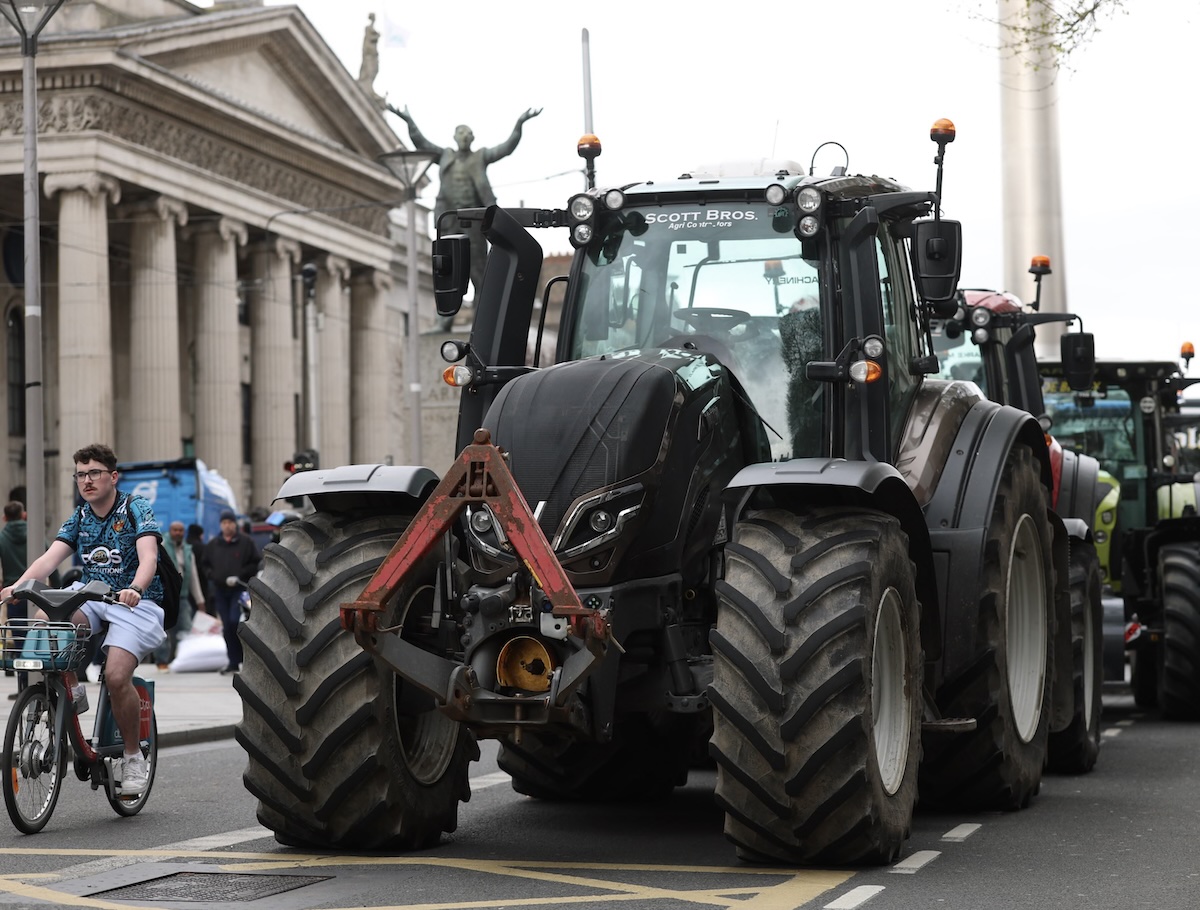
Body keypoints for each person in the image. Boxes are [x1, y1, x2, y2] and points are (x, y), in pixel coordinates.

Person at [0, 444, 166, 796]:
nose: (87, 481)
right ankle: (71, 685)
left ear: (113, 477)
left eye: (94, 473)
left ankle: (133, 756)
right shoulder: (79, 516)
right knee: (45, 615)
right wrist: (17, 587)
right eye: (80, 474)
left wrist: (136, 586)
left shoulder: (135, 507)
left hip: (135, 601)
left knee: (116, 676)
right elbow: (50, 558)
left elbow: (148, 555)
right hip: (93, 593)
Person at [388, 104, 541, 325]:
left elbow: (506, 148)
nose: (465, 137)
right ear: (455, 137)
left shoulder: (480, 157)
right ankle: (445, 321)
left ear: (473, 138)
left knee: (478, 273)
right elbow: (421, 142)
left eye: (469, 134)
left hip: (475, 224)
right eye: (462, 133)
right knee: (447, 273)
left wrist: (519, 124)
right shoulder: (444, 156)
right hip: (450, 222)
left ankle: (481, 320)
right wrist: (408, 121)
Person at [203, 509, 259, 675]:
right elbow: (205, 564)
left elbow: (255, 562)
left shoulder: (245, 542)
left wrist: (241, 575)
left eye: (230, 522)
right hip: (220, 590)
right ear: (221, 525)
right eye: (224, 523)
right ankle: (233, 661)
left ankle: (245, 658)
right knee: (227, 625)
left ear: (235, 524)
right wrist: (212, 576)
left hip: (239, 590)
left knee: (236, 622)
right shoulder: (214, 544)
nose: (227, 526)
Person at [151, 521, 207, 669]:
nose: (178, 533)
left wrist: (200, 600)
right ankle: (162, 661)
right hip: (163, 596)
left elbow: (193, 576)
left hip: (182, 596)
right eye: (175, 530)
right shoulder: (160, 546)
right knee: (162, 629)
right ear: (169, 531)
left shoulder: (188, 550)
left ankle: (183, 659)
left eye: (181, 530)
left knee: (186, 629)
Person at [0, 501, 30, 696]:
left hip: (13, 596)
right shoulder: (34, 532)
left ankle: (24, 689)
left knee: (19, 642)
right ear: (24, 515)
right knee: (38, 640)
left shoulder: (2, 537)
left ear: (4, 518)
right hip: (37, 594)